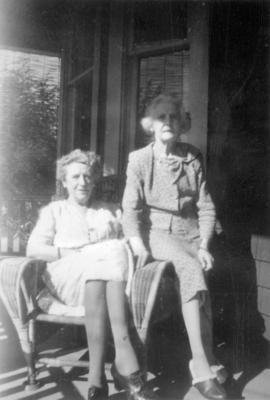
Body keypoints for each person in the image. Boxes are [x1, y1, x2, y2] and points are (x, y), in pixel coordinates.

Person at [27, 149, 157, 400]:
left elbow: (128, 242)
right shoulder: (54, 211)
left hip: (107, 287)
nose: (82, 182)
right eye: (75, 177)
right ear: (64, 181)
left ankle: (96, 379)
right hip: (66, 283)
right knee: (109, 250)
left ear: (94, 180)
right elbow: (33, 249)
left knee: (110, 254)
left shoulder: (108, 210)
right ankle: (125, 357)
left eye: (87, 176)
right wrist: (73, 254)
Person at [122, 94, 227, 400]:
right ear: (150, 126)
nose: (167, 122)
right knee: (191, 268)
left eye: (173, 117)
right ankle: (201, 367)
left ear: (181, 124)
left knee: (203, 287)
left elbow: (206, 207)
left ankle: (207, 355)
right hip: (160, 234)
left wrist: (205, 243)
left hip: (192, 232)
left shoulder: (193, 156)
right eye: (161, 118)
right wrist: (138, 243)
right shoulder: (139, 159)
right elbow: (131, 210)